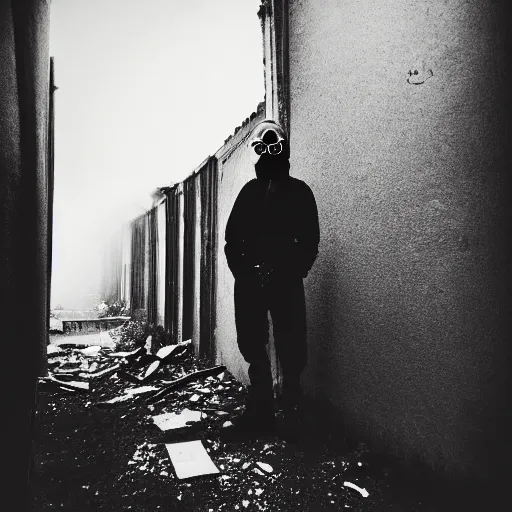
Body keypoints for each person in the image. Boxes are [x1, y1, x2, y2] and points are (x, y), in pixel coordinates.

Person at [224, 119, 320, 438]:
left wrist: (291, 271)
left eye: (274, 146)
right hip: (250, 287)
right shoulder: (249, 193)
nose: (268, 154)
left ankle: (291, 416)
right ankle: (261, 413)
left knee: (292, 347)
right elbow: (231, 241)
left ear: (284, 149)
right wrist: (245, 273)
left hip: (285, 284)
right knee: (252, 345)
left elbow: (309, 242)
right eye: (261, 148)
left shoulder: (300, 193)